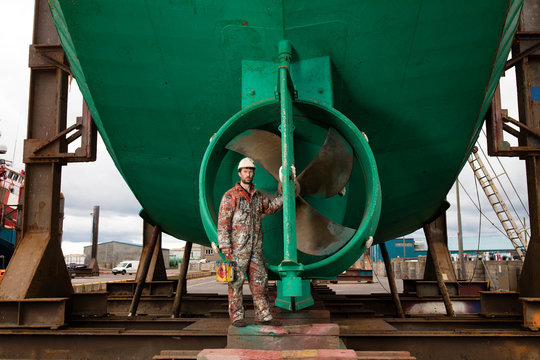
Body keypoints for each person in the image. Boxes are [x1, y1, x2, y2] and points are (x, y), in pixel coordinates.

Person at [217, 157, 283, 327]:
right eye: (245, 171)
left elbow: (271, 208)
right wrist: (225, 246)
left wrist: (286, 193)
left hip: (256, 248)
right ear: (239, 173)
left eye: (251, 171)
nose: (248, 174)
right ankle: (237, 317)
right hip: (237, 249)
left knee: (260, 282)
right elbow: (224, 222)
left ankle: (263, 314)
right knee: (235, 283)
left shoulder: (258, 196)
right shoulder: (230, 196)